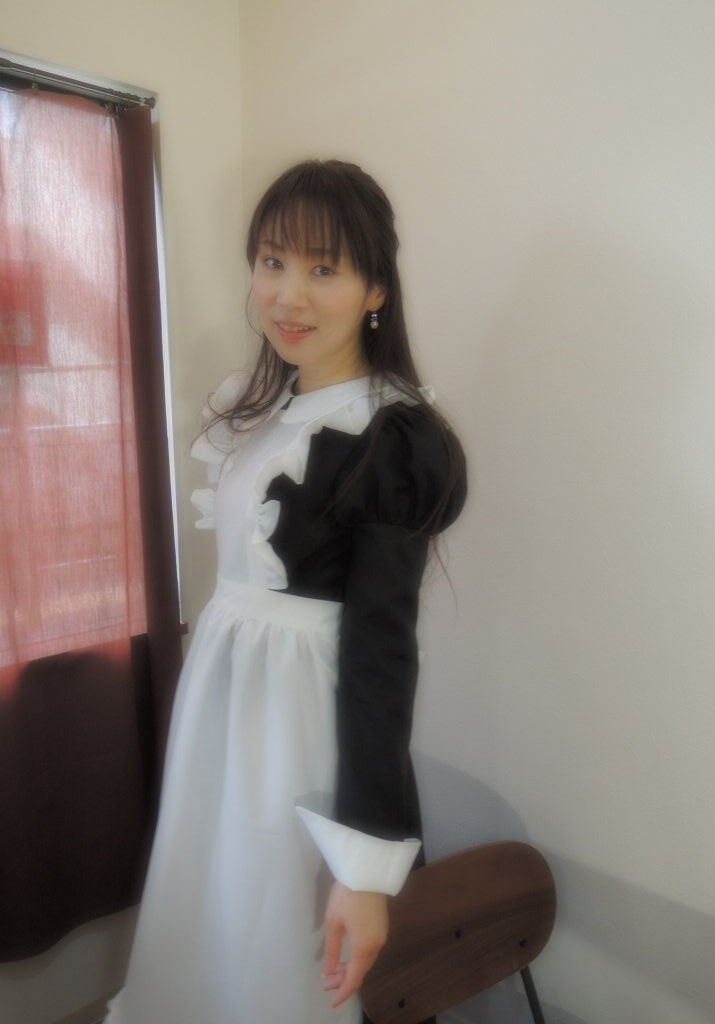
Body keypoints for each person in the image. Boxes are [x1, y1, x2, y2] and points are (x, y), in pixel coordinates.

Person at [105, 159, 467, 1024]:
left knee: (274, 961)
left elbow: (382, 657)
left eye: (323, 268)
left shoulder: (392, 436)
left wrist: (363, 869)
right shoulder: (262, 409)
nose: (287, 295)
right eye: (272, 262)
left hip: (298, 737)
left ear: (374, 288)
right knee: (211, 933)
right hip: (223, 723)